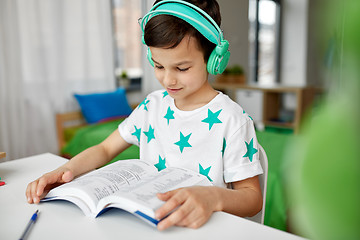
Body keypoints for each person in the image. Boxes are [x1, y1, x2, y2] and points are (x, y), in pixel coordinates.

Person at [26, 0, 264, 231]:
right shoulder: (152, 105)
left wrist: (214, 197)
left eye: (182, 68)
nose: (168, 80)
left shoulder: (232, 119)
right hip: (144, 226)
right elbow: (105, 149)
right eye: (159, 66)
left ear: (214, 60)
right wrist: (66, 170)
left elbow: (252, 199)